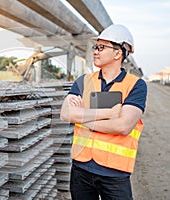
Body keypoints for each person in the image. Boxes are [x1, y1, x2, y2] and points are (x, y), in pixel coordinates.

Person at [60, 24, 147, 200]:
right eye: (95, 47)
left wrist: (83, 117)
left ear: (117, 53)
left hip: (115, 174)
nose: (95, 52)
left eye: (101, 47)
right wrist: (110, 112)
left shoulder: (136, 86)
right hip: (80, 169)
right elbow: (66, 114)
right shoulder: (84, 81)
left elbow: (123, 126)